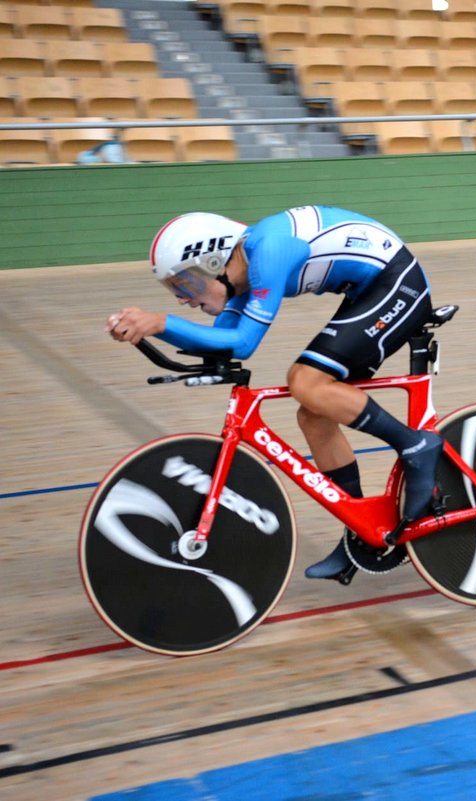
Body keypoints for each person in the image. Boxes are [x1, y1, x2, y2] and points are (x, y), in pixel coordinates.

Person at [104, 207, 443, 583]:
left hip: (397, 283)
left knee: (305, 382)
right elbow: (223, 342)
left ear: (214, 260)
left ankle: (416, 445)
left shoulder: (269, 250)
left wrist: (160, 323)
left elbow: (244, 343)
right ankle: (359, 535)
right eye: (176, 291)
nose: (183, 299)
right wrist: (148, 332)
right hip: (368, 291)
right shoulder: (241, 274)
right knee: (313, 413)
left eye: (186, 285)